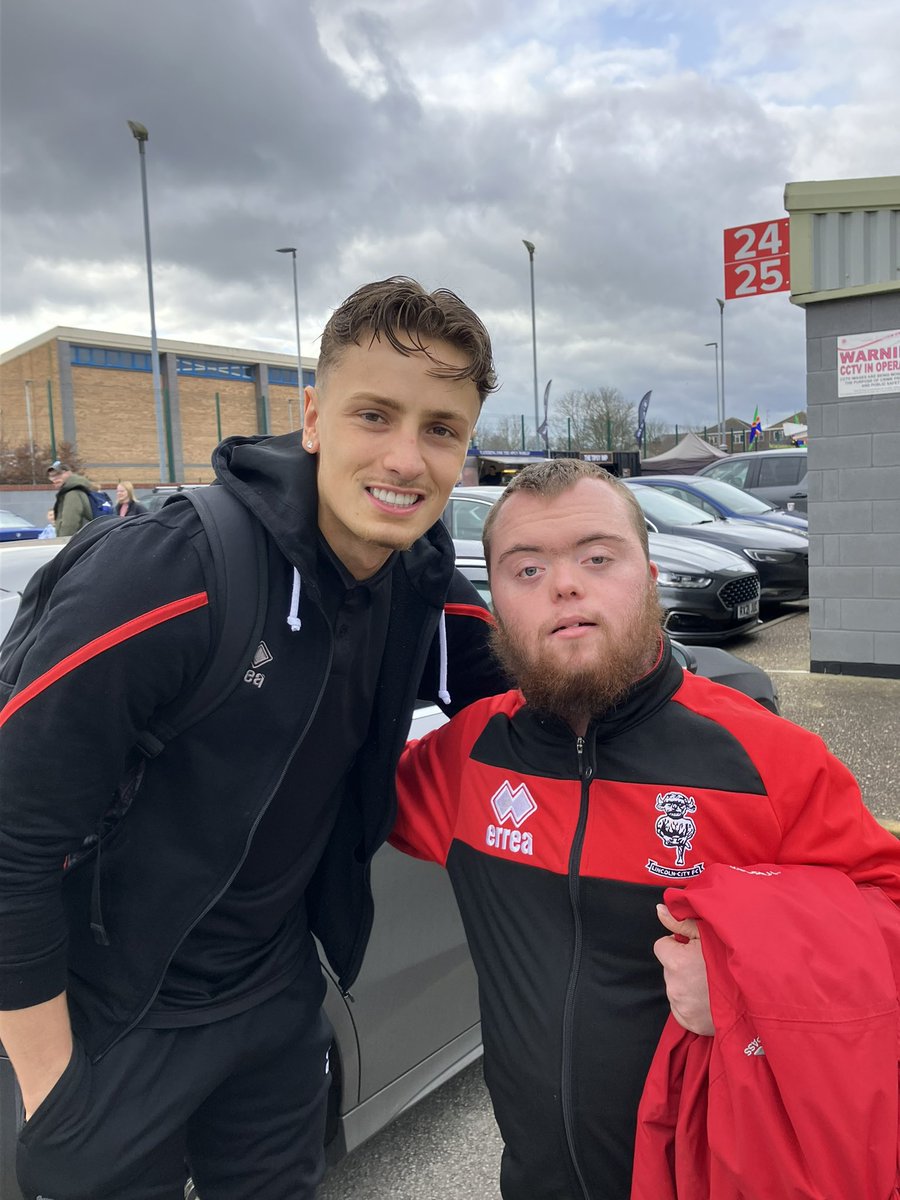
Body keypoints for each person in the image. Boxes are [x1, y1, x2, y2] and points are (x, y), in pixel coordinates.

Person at [0, 277, 508, 1200]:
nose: (405, 457)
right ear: (313, 416)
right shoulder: (168, 577)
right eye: (374, 414)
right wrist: (53, 1094)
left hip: (273, 1002)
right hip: (117, 1022)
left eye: (441, 429)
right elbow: (8, 842)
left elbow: (529, 690)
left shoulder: (414, 574)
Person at [392, 458, 900, 1200]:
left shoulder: (767, 761)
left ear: (651, 574)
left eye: (598, 558)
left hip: (711, 1175)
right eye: (526, 569)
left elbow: (886, 920)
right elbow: (313, 790)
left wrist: (740, 979)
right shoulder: (465, 757)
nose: (565, 585)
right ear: (494, 603)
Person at [47, 460, 95, 536]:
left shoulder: (72, 493)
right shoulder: (80, 488)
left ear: (68, 473)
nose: (54, 479)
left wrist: (62, 543)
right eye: (52, 476)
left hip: (80, 541)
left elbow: (70, 523)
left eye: (58, 474)